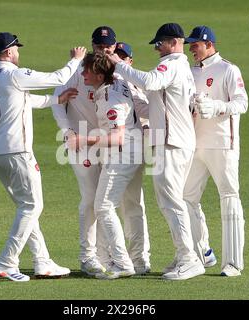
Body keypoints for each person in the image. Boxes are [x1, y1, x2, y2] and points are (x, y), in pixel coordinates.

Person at [0, 32, 86, 282]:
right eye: (16, 49)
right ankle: (7, 261)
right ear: (8, 52)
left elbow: (23, 101)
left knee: (25, 208)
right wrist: (76, 60)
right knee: (32, 206)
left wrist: (57, 99)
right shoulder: (14, 74)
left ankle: (43, 262)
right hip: (16, 150)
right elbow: (58, 77)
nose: (18, 53)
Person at [107, 23, 205, 280]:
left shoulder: (171, 64)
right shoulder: (182, 67)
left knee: (170, 202)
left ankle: (189, 258)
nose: (156, 48)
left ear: (173, 42)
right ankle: (184, 254)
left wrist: (119, 64)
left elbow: (150, 81)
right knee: (171, 201)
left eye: (159, 43)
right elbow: (153, 105)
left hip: (171, 143)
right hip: (177, 141)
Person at [52, 27, 151, 276]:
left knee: (116, 203)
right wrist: (68, 133)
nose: (104, 51)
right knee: (93, 201)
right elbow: (57, 99)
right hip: (90, 144)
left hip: (110, 145)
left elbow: (140, 106)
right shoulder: (81, 69)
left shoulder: (118, 76)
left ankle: (129, 260)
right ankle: (91, 258)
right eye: (99, 48)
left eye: (108, 48)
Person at [64, 52, 141, 279]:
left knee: (104, 207)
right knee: (105, 206)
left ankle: (123, 263)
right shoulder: (115, 83)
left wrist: (83, 140)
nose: (83, 74)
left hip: (122, 153)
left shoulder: (109, 97)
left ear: (98, 74)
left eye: (87, 70)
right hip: (127, 151)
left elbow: (117, 137)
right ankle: (113, 260)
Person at [184, 26, 248, 277]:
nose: (191, 49)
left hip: (223, 144)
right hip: (195, 144)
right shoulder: (190, 72)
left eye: (195, 45)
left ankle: (233, 264)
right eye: (189, 45)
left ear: (208, 44)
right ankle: (202, 255)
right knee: (185, 198)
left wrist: (216, 107)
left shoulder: (228, 69)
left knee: (229, 197)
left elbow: (242, 103)